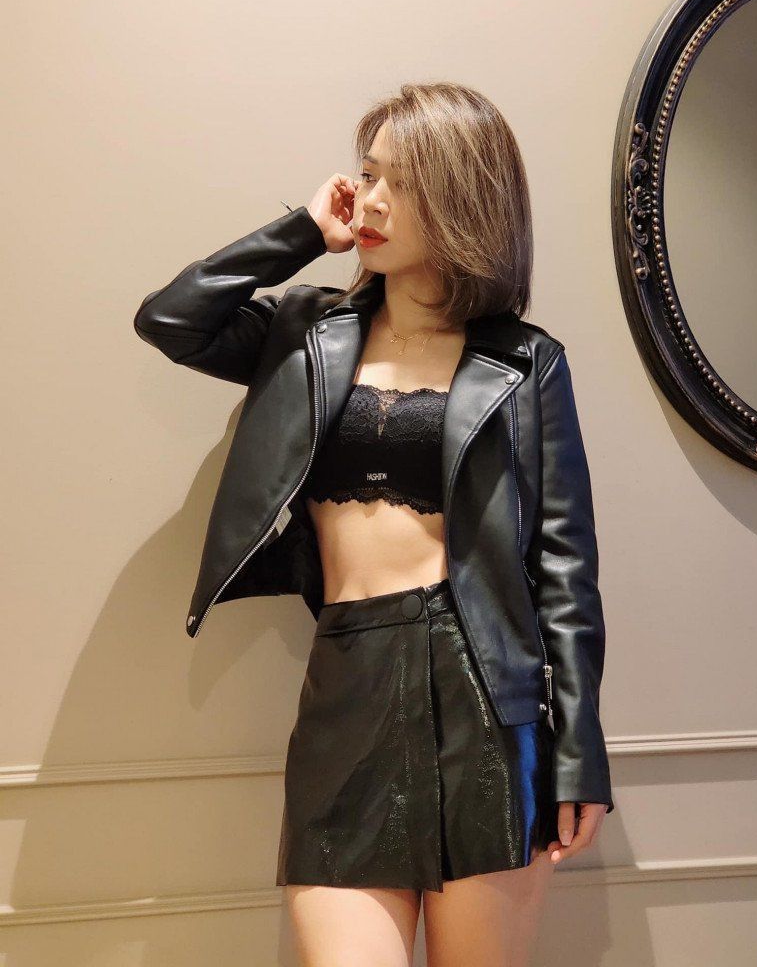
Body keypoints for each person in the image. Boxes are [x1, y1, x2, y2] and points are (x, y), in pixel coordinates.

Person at [134, 82, 613, 967]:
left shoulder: (525, 363)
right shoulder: (305, 333)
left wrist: (579, 754)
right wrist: (299, 234)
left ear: (463, 197)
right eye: (368, 174)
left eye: (404, 181)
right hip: (346, 682)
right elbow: (171, 319)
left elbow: (563, 570)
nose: (373, 199)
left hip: (484, 698)